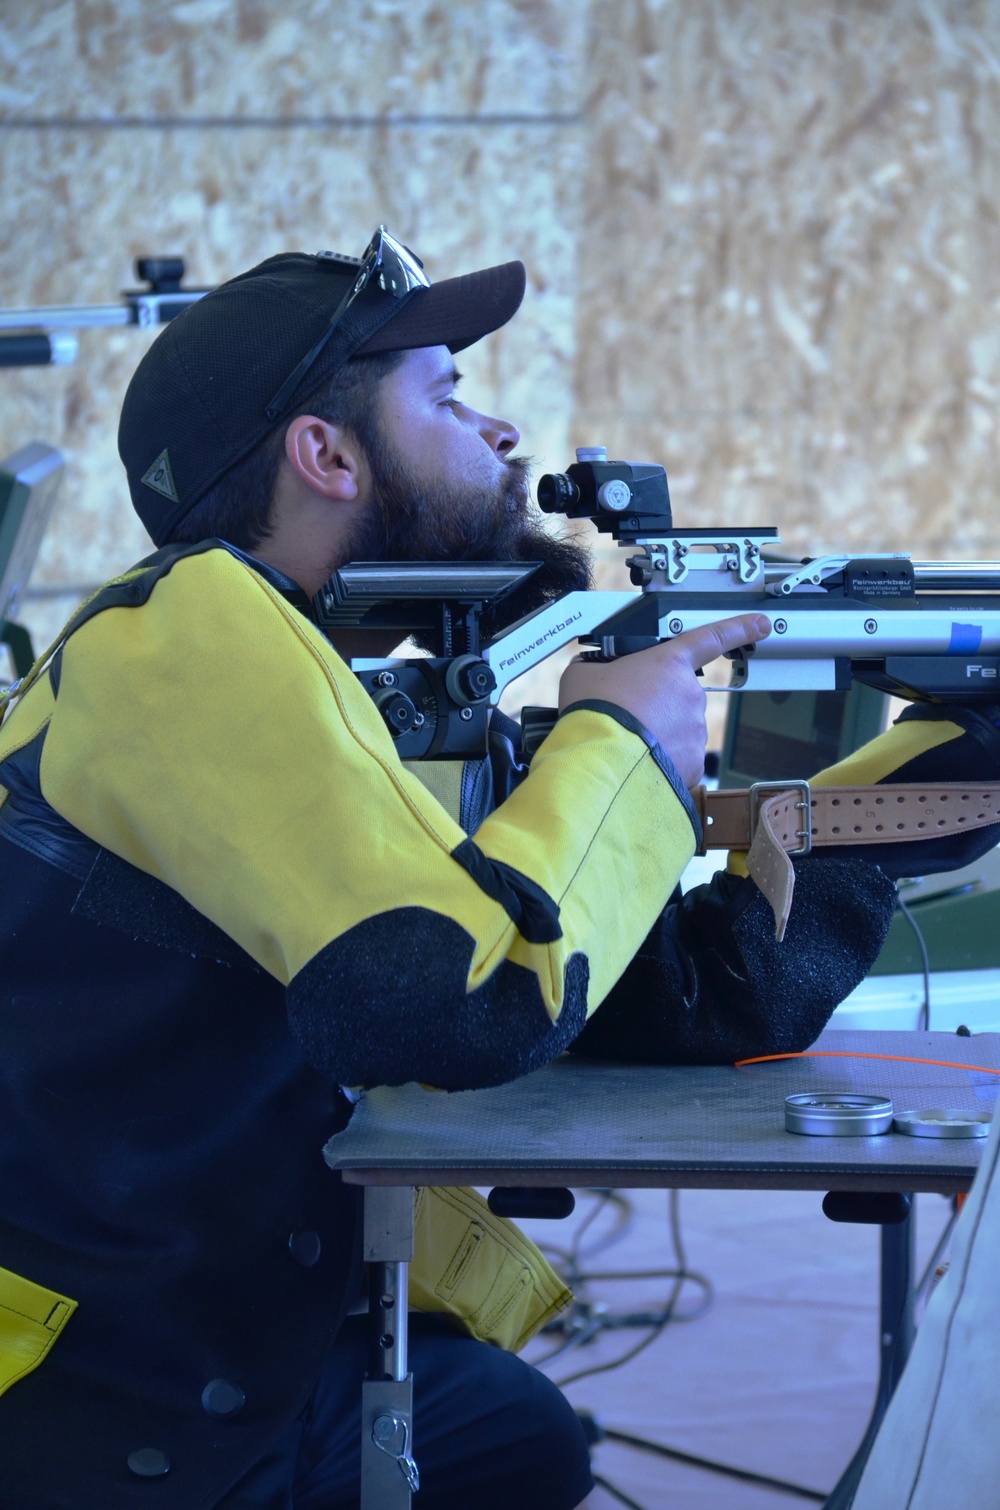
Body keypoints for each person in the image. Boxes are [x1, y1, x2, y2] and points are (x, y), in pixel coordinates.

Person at [0, 225, 946, 1510]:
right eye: (448, 396)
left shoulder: (339, 687)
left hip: (227, 1338)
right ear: (325, 454)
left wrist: (944, 763)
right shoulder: (185, 628)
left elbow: (684, 996)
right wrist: (617, 742)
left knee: (513, 1436)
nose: (504, 436)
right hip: (104, 1393)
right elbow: (451, 1000)